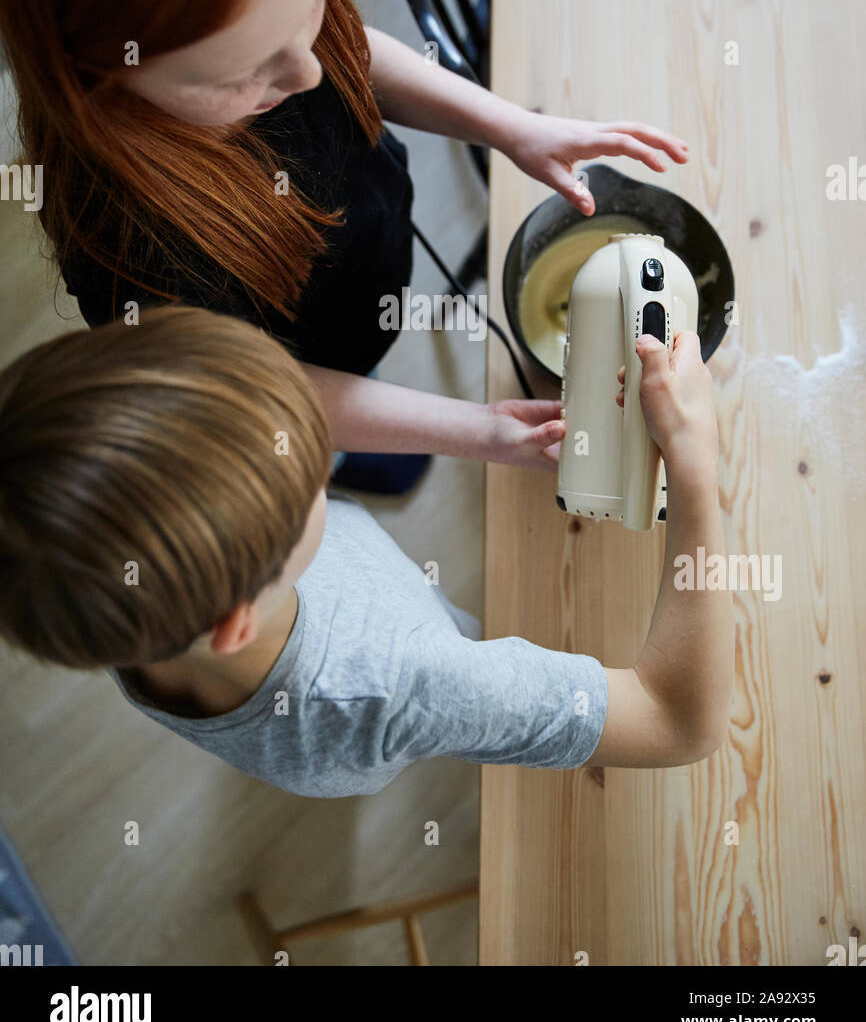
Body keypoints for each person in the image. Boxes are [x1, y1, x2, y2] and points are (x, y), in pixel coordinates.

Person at [0, 0, 689, 495]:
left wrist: (511, 127)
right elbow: (266, 391)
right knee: (307, 453)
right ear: (101, 74)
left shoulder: (259, 0)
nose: (309, 71)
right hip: (286, 388)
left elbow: (349, 48)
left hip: (363, 289)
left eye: (308, 16)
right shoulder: (131, 254)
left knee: (368, 366)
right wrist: (477, 430)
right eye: (249, 70)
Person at [0, 307, 732, 797]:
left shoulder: (101, 583)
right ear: (235, 620)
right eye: (307, 473)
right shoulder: (404, 680)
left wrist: (480, 430)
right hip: (407, 674)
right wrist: (696, 463)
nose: (320, 452)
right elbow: (677, 720)